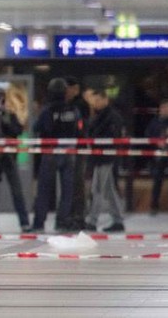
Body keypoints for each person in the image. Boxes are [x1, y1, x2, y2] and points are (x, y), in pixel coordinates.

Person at [31, 77, 82, 233]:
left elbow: (37, 127)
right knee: (67, 189)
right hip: (69, 151)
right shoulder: (73, 110)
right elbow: (79, 129)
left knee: (44, 189)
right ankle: (62, 220)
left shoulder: (47, 110)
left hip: (50, 151)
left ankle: (39, 223)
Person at [0, 88, 31, 233]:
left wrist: (6, 121)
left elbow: (18, 130)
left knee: (17, 190)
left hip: (8, 156)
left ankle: (24, 222)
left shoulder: (9, 114)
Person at [84, 89, 126, 232]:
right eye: (93, 101)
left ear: (105, 99)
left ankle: (92, 220)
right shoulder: (99, 116)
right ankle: (118, 219)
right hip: (99, 157)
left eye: (97, 100)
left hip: (106, 157)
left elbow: (112, 137)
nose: (95, 103)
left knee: (97, 188)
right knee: (108, 190)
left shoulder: (112, 117)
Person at [145, 99, 168, 216]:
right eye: (163, 107)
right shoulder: (155, 122)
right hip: (159, 154)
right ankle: (154, 207)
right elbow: (148, 135)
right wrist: (157, 142)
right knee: (157, 181)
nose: (165, 110)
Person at [65, 76, 91, 232]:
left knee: (77, 184)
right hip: (69, 148)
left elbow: (81, 128)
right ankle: (70, 215)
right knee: (70, 184)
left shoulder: (80, 106)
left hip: (78, 149)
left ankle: (78, 216)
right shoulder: (66, 104)